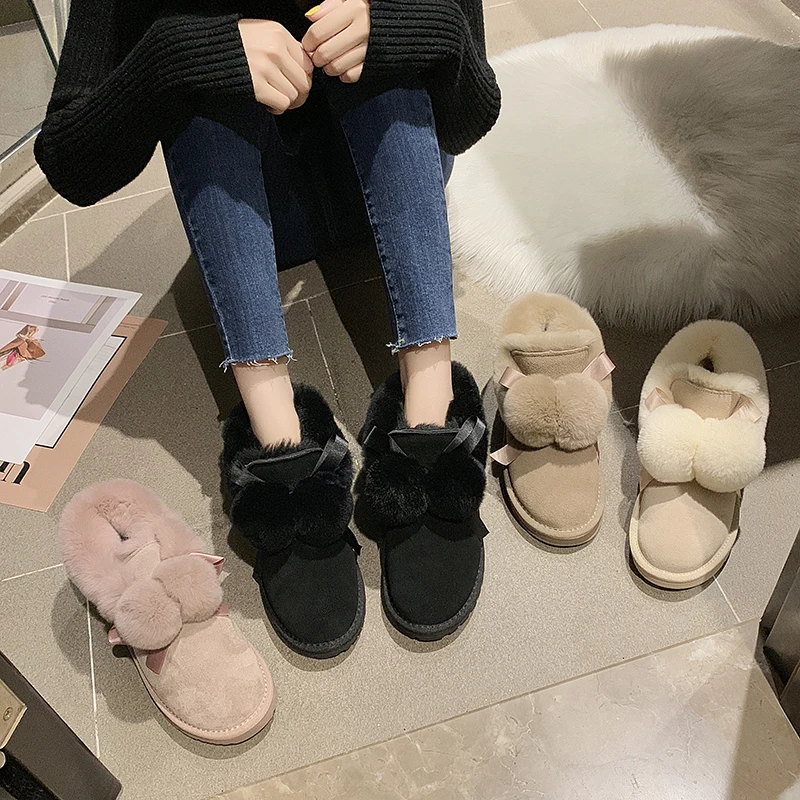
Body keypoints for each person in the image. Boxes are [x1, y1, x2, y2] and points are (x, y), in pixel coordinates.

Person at [36, 0, 500, 657]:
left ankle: (430, 411)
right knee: (206, 62)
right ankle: (279, 440)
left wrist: (409, 28)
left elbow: (472, 111)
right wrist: (182, 54)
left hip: (386, 198)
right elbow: (69, 161)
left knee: (384, 40)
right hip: (256, 215)